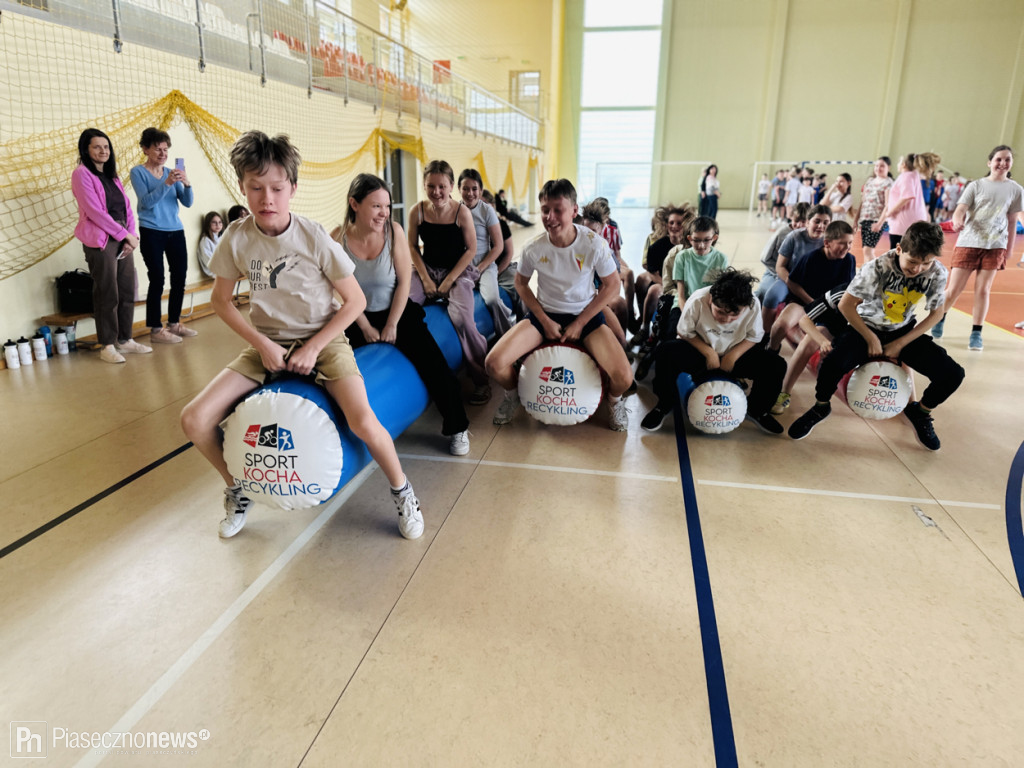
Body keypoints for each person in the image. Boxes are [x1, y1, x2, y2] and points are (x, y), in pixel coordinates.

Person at [180, 131, 424, 540]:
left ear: (292, 188)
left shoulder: (313, 236)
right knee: (194, 419)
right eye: (256, 188)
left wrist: (313, 347)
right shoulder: (237, 237)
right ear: (242, 186)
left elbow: (355, 301)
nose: (267, 199)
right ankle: (238, 488)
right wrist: (262, 344)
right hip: (267, 343)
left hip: (323, 340)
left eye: (277, 188)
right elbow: (221, 301)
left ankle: (403, 492)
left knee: (363, 421)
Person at [788, 221, 964, 450]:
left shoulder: (937, 272)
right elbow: (846, 305)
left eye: (926, 262)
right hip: (864, 327)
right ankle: (821, 406)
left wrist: (901, 343)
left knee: (953, 374)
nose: (918, 269)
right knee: (831, 364)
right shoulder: (877, 268)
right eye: (913, 261)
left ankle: (920, 412)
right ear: (899, 249)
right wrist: (870, 338)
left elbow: (936, 314)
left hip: (902, 330)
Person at [330, 173, 471, 456]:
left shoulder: (393, 232)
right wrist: (365, 327)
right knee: (334, 369)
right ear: (354, 204)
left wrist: (392, 324)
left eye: (386, 206)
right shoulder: (337, 239)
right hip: (356, 316)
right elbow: (338, 291)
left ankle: (458, 426)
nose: (384, 213)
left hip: (396, 310)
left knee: (434, 364)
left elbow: (404, 282)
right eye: (376, 206)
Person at [484, 179, 633, 431]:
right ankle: (513, 394)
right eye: (545, 210)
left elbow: (612, 285)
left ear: (574, 211)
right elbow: (520, 283)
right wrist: (543, 320)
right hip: (545, 315)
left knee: (624, 377)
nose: (550, 217)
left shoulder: (593, 244)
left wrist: (580, 322)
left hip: (585, 316)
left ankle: (614, 401)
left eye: (557, 210)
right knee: (493, 363)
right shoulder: (534, 247)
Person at [640, 268, 785, 435]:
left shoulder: (752, 303)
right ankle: (664, 405)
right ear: (711, 299)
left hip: (734, 353)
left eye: (734, 315)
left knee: (776, 364)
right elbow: (684, 332)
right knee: (665, 352)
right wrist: (708, 352)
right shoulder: (698, 300)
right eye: (720, 312)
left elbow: (754, 336)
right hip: (700, 352)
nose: (726, 320)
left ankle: (757, 410)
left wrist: (733, 356)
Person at [407, 160, 490, 405]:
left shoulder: (461, 212)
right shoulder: (417, 211)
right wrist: (425, 278)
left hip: (458, 271)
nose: (436, 192)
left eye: (442, 186)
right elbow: (412, 246)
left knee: (462, 319)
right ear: (424, 186)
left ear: (451, 186)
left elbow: (471, 249)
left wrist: (449, 281)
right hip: (427, 269)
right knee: (405, 307)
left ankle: (481, 378)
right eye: (431, 186)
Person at [71, 128, 151, 364]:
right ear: (86, 150)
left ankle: (125, 340)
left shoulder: (112, 176)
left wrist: (131, 235)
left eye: (106, 147)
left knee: (127, 290)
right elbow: (95, 212)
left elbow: (127, 209)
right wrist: (123, 235)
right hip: (101, 240)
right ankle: (107, 344)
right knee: (108, 293)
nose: (103, 151)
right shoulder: (81, 174)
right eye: (97, 147)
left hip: (123, 238)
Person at [932, 145, 1022, 351]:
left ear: (1011, 163)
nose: (1003, 163)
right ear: (990, 162)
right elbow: (960, 209)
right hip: (969, 243)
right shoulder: (976, 186)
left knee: (983, 290)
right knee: (954, 289)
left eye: (1007, 159)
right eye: (998, 159)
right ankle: (940, 318)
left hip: (995, 246)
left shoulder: (1016, 189)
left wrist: (1008, 249)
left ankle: (976, 333)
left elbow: (1012, 221)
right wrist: (957, 220)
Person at [129, 127, 197, 344]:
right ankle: (156, 329)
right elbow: (146, 202)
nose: (163, 153)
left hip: (175, 231)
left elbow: (187, 202)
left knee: (179, 277)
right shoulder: (138, 172)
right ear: (145, 149)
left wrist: (186, 183)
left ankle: (174, 323)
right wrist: (167, 183)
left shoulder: (171, 172)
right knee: (157, 278)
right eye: (158, 149)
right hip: (151, 231)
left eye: (166, 149)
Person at [458, 169, 513, 338]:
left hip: (485, 266)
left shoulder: (486, 211)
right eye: (465, 188)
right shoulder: (454, 210)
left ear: (481, 191)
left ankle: (507, 333)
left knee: (492, 299)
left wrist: (480, 269)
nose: (470, 193)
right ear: (459, 189)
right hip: (462, 267)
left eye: (474, 189)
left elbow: (498, 246)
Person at [762, 204, 833, 327]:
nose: (821, 226)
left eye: (825, 222)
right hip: (789, 279)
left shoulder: (830, 241)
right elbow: (780, 266)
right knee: (772, 297)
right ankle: (764, 333)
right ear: (808, 222)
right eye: (817, 221)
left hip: (814, 283)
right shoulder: (794, 237)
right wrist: (791, 284)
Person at [871, 152, 941, 249]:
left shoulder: (906, 176)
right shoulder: (914, 175)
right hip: (912, 223)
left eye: (899, 162)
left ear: (903, 164)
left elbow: (907, 196)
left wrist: (890, 212)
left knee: (898, 253)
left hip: (903, 224)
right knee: (908, 252)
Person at [482, 189, 524, 320]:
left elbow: (509, 253)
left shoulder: (501, 225)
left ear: (492, 206)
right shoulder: (471, 227)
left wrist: (497, 273)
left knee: (520, 288)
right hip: (482, 271)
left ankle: (524, 321)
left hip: (503, 268)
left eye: (485, 205)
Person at [854, 156, 894, 261]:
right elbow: (863, 201)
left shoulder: (889, 183)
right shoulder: (870, 181)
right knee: (865, 250)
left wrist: (879, 223)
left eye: (882, 166)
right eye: (876, 165)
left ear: (888, 167)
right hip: (865, 219)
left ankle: (874, 270)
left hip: (876, 220)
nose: (878, 168)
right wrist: (855, 220)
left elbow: (888, 205)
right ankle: (868, 269)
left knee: (868, 250)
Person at [197, 211, 224, 278]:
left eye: (220, 222)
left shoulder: (222, 237)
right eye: (214, 222)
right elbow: (209, 262)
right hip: (216, 273)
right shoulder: (205, 241)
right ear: (208, 224)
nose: (218, 225)